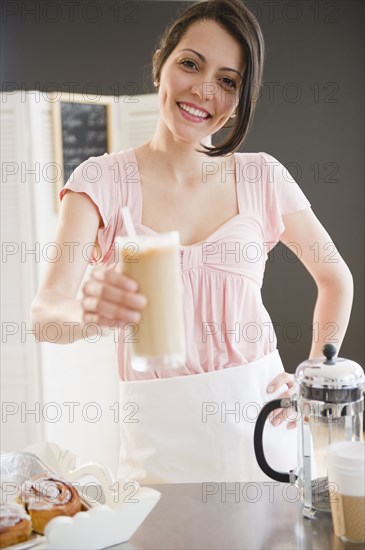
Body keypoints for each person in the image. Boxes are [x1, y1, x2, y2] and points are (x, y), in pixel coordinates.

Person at [31, 0, 353, 483]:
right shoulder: (101, 181)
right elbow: (45, 316)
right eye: (190, 64)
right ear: (162, 63)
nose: (204, 90)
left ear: (241, 99)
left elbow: (335, 277)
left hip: (264, 425)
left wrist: (311, 374)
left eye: (228, 81)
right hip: (159, 443)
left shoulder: (262, 176)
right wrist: (86, 313)